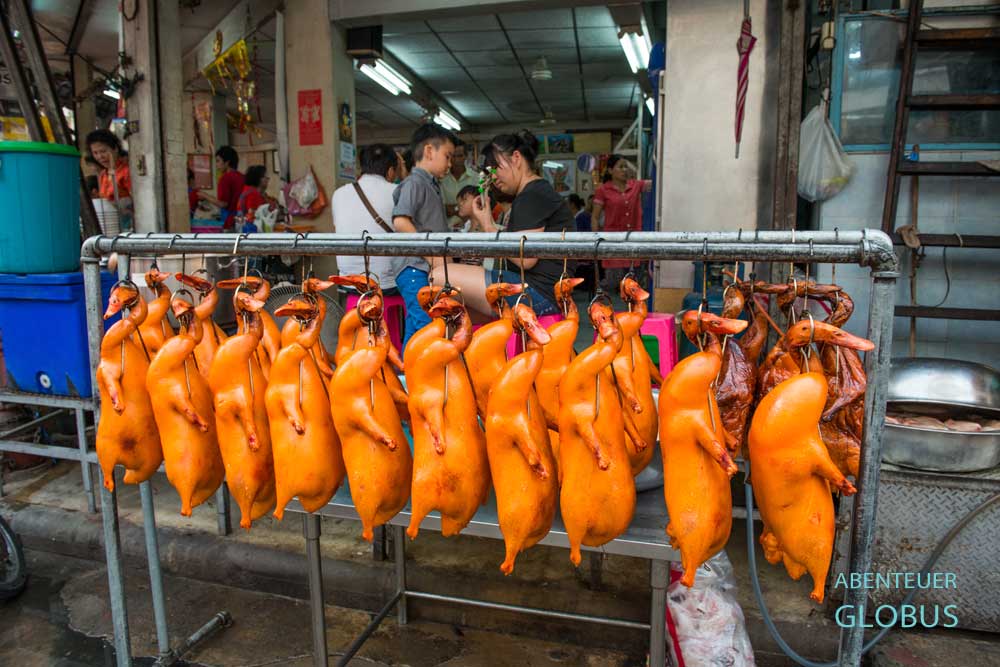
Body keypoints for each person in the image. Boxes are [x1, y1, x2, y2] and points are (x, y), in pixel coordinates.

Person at [431, 130, 572, 320]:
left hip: (537, 294)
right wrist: (487, 221)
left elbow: (526, 259)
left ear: (516, 158)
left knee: (439, 275)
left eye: (495, 167)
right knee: (457, 311)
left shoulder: (532, 195)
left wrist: (489, 228)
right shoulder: (536, 191)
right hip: (541, 291)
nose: (494, 177)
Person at [392, 123, 457, 348]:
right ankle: (419, 376)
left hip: (421, 268)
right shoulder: (415, 183)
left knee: (416, 324)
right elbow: (400, 221)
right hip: (414, 268)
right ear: (429, 151)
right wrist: (430, 256)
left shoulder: (430, 185)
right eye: (447, 156)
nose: (450, 164)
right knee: (426, 327)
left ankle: (406, 377)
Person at [331, 143, 405, 290]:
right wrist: (405, 176)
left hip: (349, 281)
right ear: (391, 171)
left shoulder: (339, 194)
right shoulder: (398, 191)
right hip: (387, 284)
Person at [592, 154, 652, 291]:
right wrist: (595, 241)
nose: (625, 170)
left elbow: (657, 183)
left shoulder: (636, 186)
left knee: (635, 290)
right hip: (612, 244)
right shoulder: (602, 190)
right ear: (610, 171)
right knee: (615, 289)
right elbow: (595, 217)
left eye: (626, 166)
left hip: (634, 243)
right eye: (621, 167)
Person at [86, 129, 133, 232]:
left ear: (115, 148)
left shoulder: (126, 172)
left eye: (103, 151)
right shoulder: (103, 174)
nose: (100, 157)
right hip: (111, 229)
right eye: (95, 153)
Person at [198, 146, 244, 230]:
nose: (217, 164)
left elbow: (223, 204)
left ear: (227, 162)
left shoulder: (225, 178)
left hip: (230, 220)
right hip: (242, 219)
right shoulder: (242, 177)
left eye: (218, 161)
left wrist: (205, 195)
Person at [440, 140, 479, 230]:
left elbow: (479, 205)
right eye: (453, 156)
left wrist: (453, 208)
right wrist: (466, 207)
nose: (456, 160)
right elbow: (442, 209)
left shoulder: (476, 178)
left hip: (472, 228)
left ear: (465, 156)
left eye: (460, 156)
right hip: (448, 229)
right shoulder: (441, 179)